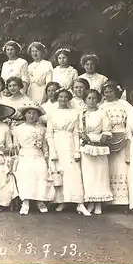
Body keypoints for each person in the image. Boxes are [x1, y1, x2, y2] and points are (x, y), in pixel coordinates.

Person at [46, 88, 91, 216]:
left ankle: (79, 203)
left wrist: (77, 150)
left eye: (66, 97)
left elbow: (76, 133)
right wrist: (53, 151)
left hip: (70, 143)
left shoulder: (74, 113)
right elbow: (49, 133)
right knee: (59, 171)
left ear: (69, 99)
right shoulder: (52, 113)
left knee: (73, 171)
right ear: (57, 97)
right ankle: (62, 201)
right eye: (60, 97)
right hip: (57, 143)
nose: (63, 99)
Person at [13, 101, 54, 214]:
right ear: (25, 115)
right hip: (24, 154)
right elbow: (16, 146)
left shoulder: (41, 129)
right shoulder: (18, 129)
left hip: (38, 155)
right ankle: (25, 201)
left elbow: (45, 147)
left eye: (34, 113)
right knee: (25, 172)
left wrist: (46, 158)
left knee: (41, 171)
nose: (31, 116)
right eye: (29, 113)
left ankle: (40, 200)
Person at [98, 81, 133, 206]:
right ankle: (109, 200)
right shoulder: (101, 106)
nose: (108, 94)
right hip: (108, 139)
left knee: (122, 167)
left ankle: (123, 200)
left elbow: (131, 120)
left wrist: (127, 136)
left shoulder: (124, 104)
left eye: (111, 91)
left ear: (116, 91)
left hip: (122, 136)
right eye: (106, 92)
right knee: (108, 168)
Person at [79, 89, 114, 215]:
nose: (91, 101)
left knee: (100, 175)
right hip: (87, 147)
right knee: (88, 175)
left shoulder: (102, 113)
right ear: (85, 100)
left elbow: (106, 129)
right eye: (89, 98)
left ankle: (98, 204)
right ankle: (90, 203)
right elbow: (79, 130)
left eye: (94, 98)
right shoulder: (82, 114)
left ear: (98, 100)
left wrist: (101, 140)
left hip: (99, 146)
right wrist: (84, 138)